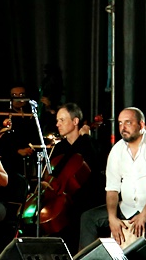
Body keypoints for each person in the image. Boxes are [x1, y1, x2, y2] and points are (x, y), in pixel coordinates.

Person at [77, 107, 146, 252]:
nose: (122, 128)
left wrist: (143, 215)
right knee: (88, 218)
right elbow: (112, 188)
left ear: (141, 125)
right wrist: (112, 217)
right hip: (127, 207)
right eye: (120, 123)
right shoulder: (117, 150)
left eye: (128, 123)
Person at [33, 102, 106, 250]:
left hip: (86, 199)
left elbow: (97, 166)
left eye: (62, 120)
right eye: (57, 120)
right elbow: (54, 174)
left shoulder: (90, 144)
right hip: (63, 197)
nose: (58, 124)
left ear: (75, 121)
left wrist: (85, 138)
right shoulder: (59, 147)